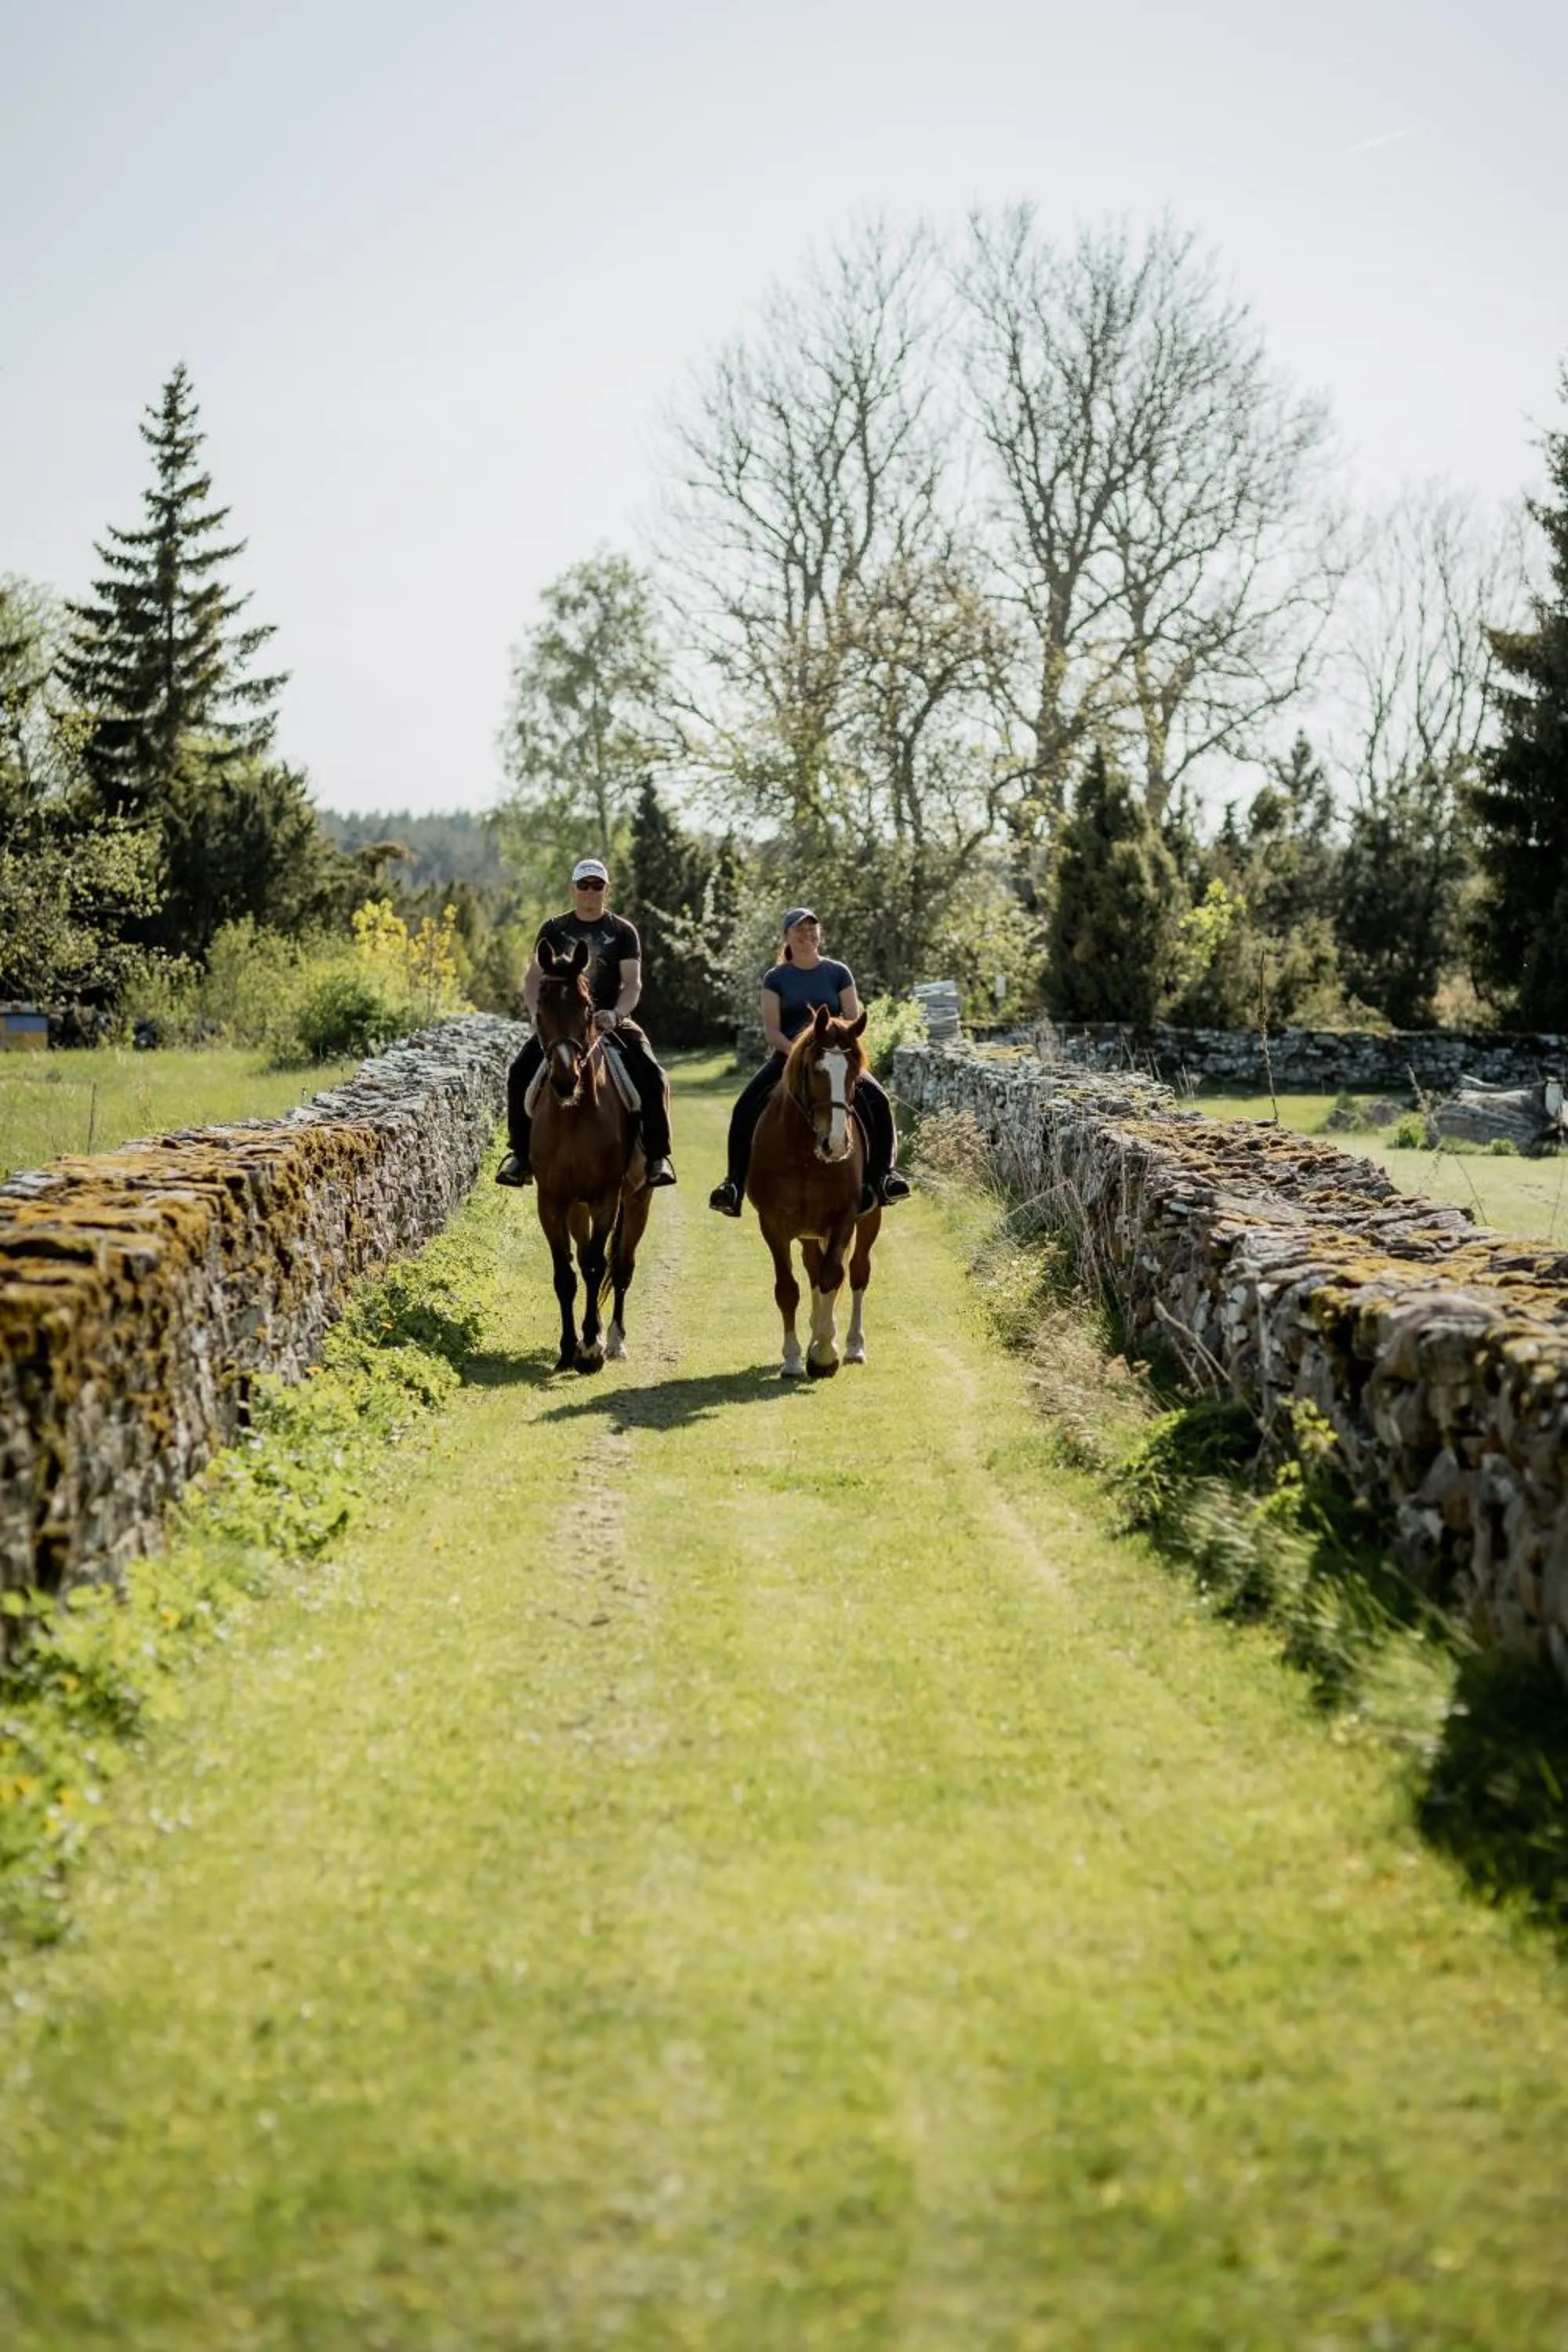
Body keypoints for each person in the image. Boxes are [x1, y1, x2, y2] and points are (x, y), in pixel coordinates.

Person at [708, 906, 910, 1217]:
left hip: (837, 1058)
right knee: (745, 1105)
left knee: (879, 1101)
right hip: (789, 1057)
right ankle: (733, 1184)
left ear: (820, 934)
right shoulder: (775, 978)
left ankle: (884, 1176)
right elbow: (773, 1031)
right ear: (787, 936)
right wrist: (800, 1055)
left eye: (812, 929)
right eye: (799, 930)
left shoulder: (838, 972)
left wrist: (830, 1052)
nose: (807, 935)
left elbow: (851, 1019)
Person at [495, 858, 676, 1189]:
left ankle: (656, 1157)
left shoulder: (623, 931)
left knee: (652, 1073)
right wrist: (540, 1020)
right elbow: (533, 979)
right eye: (584, 885)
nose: (590, 892)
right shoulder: (553, 929)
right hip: (561, 1026)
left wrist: (617, 1014)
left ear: (607, 889)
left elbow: (632, 984)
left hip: (610, 1020)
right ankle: (520, 1156)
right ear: (574, 889)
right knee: (520, 1071)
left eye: (597, 885)